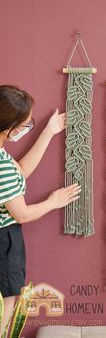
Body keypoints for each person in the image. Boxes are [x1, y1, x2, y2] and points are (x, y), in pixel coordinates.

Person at [0, 85, 81, 336]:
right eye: (25, 125)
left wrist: (49, 132)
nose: (26, 128)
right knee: (5, 311)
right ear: (9, 128)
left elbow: (20, 171)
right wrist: (52, 202)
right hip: (4, 242)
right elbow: (21, 214)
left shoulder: (2, 157)